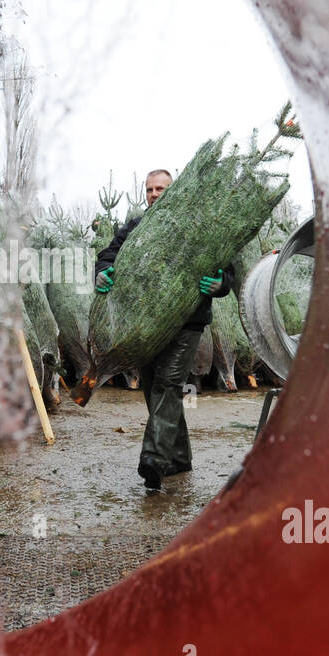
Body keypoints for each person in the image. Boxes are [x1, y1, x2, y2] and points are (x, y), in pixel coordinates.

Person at [93, 169, 235, 490]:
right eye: (150, 189)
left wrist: (220, 283)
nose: (154, 194)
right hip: (148, 324)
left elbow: (227, 268)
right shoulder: (137, 227)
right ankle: (180, 458)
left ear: (174, 191)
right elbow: (108, 255)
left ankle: (153, 461)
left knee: (169, 384)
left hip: (187, 322)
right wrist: (102, 272)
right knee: (153, 387)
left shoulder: (196, 227)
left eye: (161, 189)